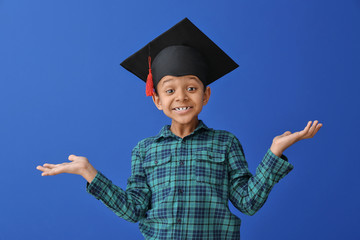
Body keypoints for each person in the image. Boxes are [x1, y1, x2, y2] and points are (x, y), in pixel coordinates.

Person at [36, 18, 322, 239]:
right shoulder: (145, 150)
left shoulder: (225, 143)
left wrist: (274, 152)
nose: (182, 97)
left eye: (191, 88)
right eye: (170, 90)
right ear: (157, 99)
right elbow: (134, 210)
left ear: (205, 95)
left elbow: (247, 203)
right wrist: (89, 173)